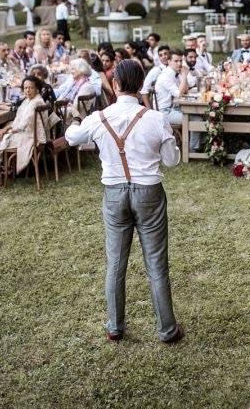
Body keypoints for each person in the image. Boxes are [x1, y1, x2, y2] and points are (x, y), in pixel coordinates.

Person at [64, 59, 184, 344]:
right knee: (156, 263)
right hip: (149, 192)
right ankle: (167, 329)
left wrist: (75, 121)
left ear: (115, 84)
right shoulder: (156, 118)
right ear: (141, 84)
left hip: (115, 192)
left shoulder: (98, 118)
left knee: (116, 262)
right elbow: (172, 161)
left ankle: (115, 326)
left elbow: (71, 138)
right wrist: (172, 142)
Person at [155, 51, 200, 148]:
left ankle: (196, 146)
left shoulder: (176, 73)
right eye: (176, 61)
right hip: (165, 112)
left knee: (199, 114)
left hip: (175, 108)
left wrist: (184, 76)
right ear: (169, 61)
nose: (179, 64)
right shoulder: (166, 76)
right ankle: (193, 149)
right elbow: (179, 94)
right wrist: (184, 75)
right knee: (196, 118)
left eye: (181, 61)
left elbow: (185, 90)